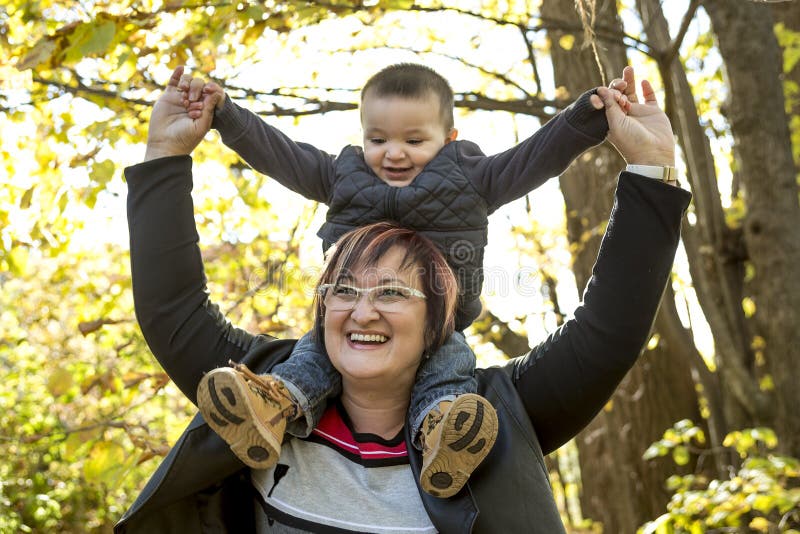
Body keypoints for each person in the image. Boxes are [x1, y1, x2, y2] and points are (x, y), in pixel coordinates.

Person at [115, 64, 690, 533]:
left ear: (436, 308)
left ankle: (434, 433)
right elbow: (173, 309)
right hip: (280, 400)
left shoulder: (496, 419)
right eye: (344, 290)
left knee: (452, 415)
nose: (362, 310)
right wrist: (168, 153)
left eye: (391, 292)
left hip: (456, 415)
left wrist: (647, 166)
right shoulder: (254, 389)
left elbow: (608, 330)